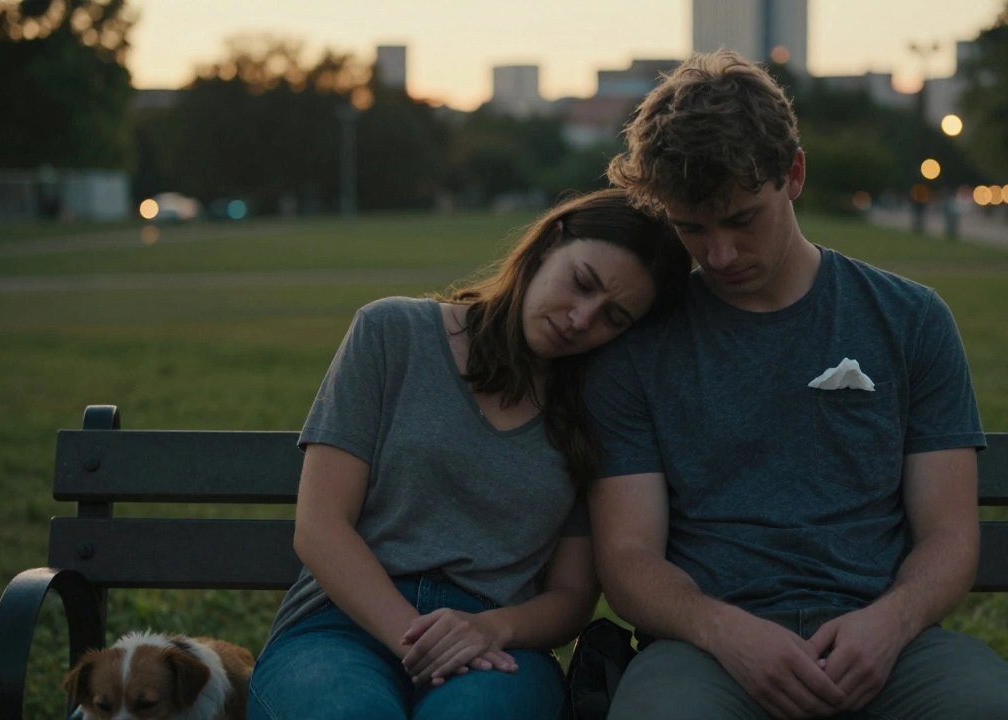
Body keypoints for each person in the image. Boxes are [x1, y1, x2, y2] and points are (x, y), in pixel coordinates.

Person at [584, 51, 1008, 720]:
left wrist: (889, 624)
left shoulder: (908, 319)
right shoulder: (639, 348)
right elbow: (629, 558)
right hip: (706, 649)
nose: (718, 255)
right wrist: (729, 633)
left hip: (887, 641)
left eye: (742, 219)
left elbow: (949, 535)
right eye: (692, 229)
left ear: (794, 174)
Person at [247, 189, 692, 720]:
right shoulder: (391, 333)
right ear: (552, 240)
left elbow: (572, 595)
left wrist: (490, 628)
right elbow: (321, 528)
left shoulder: (594, 409)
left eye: (613, 318)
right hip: (340, 625)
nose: (581, 319)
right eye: (582, 283)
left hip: (497, 643)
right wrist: (416, 640)